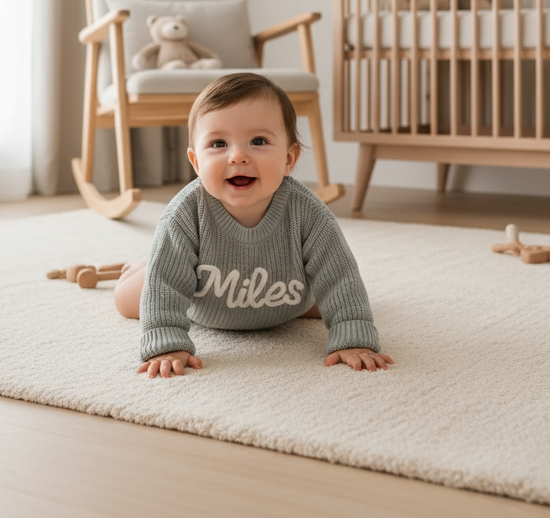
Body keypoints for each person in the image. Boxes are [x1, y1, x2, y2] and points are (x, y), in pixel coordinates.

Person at [115, 72, 394, 379]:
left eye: (258, 141)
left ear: (289, 159)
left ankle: (161, 261)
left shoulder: (309, 213)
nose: (238, 156)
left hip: (286, 300)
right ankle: (148, 263)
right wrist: (166, 344)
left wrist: (353, 336)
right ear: (196, 163)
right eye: (219, 143)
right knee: (132, 298)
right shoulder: (184, 215)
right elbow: (166, 286)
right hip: (202, 301)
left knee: (336, 293)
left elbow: (340, 276)